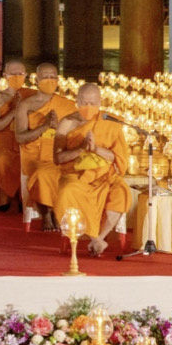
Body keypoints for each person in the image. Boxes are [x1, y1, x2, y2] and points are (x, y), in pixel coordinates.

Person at [52, 85, 132, 256]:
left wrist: (95, 149)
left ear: (101, 102)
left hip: (104, 175)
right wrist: (80, 149)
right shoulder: (67, 123)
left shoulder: (110, 122)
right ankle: (95, 239)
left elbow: (116, 157)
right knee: (67, 191)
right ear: (76, 101)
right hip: (76, 175)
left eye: (93, 103)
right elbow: (58, 158)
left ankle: (100, 237)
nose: (88, 107)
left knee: (121, 192)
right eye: (84, 103)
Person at [11, 63, 76, 230]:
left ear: (58, 80)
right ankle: (46, 213)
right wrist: (44, 127)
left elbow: (75, 135)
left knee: (67, 172)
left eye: (53, 77)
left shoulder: (67, 104)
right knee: (41, 173)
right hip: (34, 155)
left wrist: (58, 128)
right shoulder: (25, 105)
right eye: (45, 77)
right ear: (36, 80)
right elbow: (20, 137)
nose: (49, 80)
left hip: (59, 152)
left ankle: (57, 211)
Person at [0, 59, 36, 213]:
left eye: (20, 73)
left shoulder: (32, 96)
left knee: (34, 158)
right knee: (1, 159)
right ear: (5, 75)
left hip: (27, 139)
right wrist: (14, 110)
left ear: (26, 75)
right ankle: (6, 198)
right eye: (13, 73)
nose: (17, 77)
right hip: (5, 141)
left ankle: (25, 198)